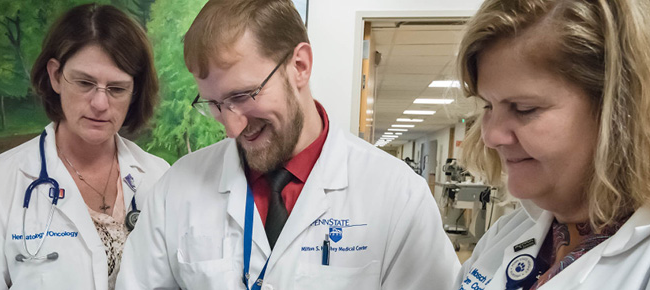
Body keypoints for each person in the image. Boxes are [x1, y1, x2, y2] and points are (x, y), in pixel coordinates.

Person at [116, 0, 461, 289]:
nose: (232, 129)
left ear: (300, 66)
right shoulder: (178, 187)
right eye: (215, 105)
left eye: (243, 95)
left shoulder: (398, 195)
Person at [454, 0, 650, 289]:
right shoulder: (511, 232)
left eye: (524, 108)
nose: (491, 137)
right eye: (488, 106)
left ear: (626, 111)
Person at [0, 4, 169, 289]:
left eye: (117, 88)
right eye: (85, 83)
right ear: (56, 76)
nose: (100, 103)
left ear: (134, 91)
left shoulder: (161, 178)